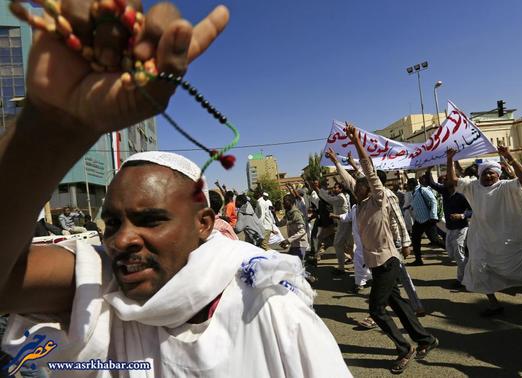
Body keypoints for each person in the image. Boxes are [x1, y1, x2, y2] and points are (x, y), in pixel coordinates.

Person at [0, 3, 351, 376]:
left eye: (150, 220)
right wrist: (51, 126)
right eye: (113, 223)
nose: (122, 240)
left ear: (203, 224)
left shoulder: (271, 309)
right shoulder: (103, 286)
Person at [344, 124, 438, 374]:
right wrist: (335, 161)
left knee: (376, 309)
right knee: (397, 303)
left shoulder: (377, 199)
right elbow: (351, 179)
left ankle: (403, 348)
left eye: (359, 186)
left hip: (387, 262)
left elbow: (368, 171)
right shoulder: (361, 206)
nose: (355, 188)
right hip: (377, 265)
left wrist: (356, 142)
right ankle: (425, 339)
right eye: (355, 187)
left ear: (370, 188)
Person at [446, 147, 522, 316]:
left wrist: (508, 156)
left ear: (498, 174)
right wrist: (450, 159)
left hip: (505, 237)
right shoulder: (473, 186)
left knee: (510, 269)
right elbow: (452, 179)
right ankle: (493, 303)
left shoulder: (506, 186)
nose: (488, 176)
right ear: (480, 175)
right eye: (485, 173)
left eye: (492, 173)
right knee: (478, 268)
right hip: (480, 238)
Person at [424, 168, 471, 288]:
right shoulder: (444, 191)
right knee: (451, 253)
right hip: (450, 228)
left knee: (459, 255)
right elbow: (431, 183)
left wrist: (461, 215)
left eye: (446, 178)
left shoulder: (461, 195)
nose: (444, 180)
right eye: (444, 178)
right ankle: (469, 266)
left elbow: (472, 210)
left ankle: (463, 279)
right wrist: (429, 167)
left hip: (461, 228)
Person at [312, 180, 353, 275]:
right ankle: (351, 265)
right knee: (347, 246)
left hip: (344, 224)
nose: (333, 189)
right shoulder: (342, 196)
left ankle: (342, 268)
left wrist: (318, 189)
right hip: (343, 224)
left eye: (336, 187)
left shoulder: (340, 198)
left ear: (341, 189)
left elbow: (328, 199)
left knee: (338, 244)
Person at [407, 178, 444, 266]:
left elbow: (433, 201)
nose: (407, 186)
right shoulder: (414, 193)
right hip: (419, 221)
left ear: (412, 184)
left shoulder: (422, 190)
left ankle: (453, 250)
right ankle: (418, 260)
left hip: (428, 220)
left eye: (408, 184)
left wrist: (433, 216)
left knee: (434, 240)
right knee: (415, 240)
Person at [275, 194, 309, 261]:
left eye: (285, 202)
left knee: (297, 265)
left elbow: (303, 230)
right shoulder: (288, 212)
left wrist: (288, 240)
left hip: (300, 244)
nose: (283, 204)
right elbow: (280, 224)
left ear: (290, 202)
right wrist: (274, 214)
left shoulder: (296, 213)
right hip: (294, 244)